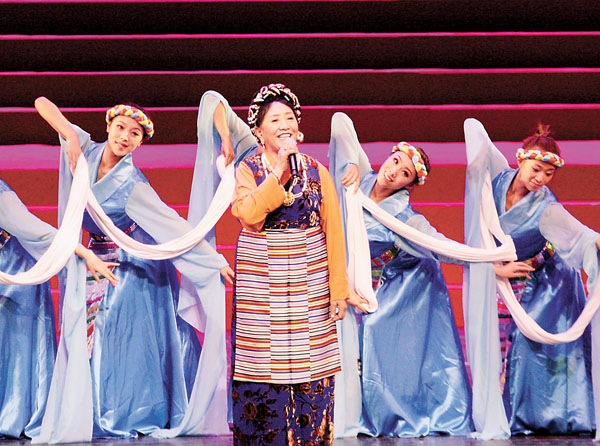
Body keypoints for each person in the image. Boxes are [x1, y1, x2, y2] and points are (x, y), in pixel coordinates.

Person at [34, 97, 234, 438]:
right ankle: (88, 409)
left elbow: (173, 225)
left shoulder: (132, 185)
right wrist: (69, 133)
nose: (124, 137)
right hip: (94, 255)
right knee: (87, 332)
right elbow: (42, 103)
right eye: (120, 128)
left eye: (135, 134)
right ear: (108, 127)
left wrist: (214, 260)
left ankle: (121, 413)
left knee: (115, 335)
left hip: (135, 262)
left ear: (141, 142)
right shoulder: (86, 150)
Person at [202, 83, 361, 445]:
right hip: (261, 281)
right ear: (258, 131)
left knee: (313, 371)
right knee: (261, 372)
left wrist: (338, 289)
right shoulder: (248, 169)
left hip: (310, 278)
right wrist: (277, 172)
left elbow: (333, 231)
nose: (284, 124)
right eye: (274, 119)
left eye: (289, 117)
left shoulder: (317, 171)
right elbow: (247, 213)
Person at [329, 112, 473, 437]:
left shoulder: (405, 218)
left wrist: (487, 260)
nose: (393, 172)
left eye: (404, 173)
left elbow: (439, 245)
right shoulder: (361, 178)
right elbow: (340, 123)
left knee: (395, 343)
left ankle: (399, 415)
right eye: (395, 161)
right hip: (374, 272)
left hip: (414, 279)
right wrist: (350, 163)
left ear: (409, 184)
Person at [464, 119, 600, 435]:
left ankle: (542, 417)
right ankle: (505, 412)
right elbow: (477, 233)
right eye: (536, 169)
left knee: (533, 351)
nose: (540, 178)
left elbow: (581, 235)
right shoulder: (494, 184)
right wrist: (492, 268)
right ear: (520, 159)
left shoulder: (546, 206)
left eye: (548, 174)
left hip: (549, 280)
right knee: (498, 346)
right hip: (504, 273)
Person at [0, 179, 117, 439]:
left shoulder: (2, 198)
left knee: (15, 354)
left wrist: (83, 253)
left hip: (16, 280)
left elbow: (40, 232)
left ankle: (14, 416)